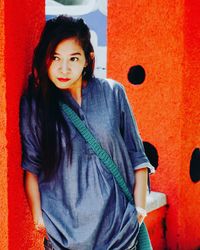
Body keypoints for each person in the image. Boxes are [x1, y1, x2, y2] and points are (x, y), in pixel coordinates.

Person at [19, 15, 154, 250]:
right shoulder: (35, 105)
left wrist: (139, 210)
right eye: (55, 58)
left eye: (73, 58)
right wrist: (39, 220)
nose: (63, 68)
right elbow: (31, 168)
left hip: (118, 234)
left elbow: (137, 157)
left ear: (87, 59)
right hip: (65, 238)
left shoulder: (112, 93)